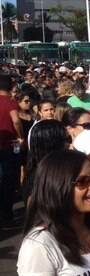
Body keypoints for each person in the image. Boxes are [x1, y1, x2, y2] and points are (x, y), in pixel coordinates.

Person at [23, 120, 69, 201]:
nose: (69, 144)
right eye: (67, 139)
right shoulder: (44, 180)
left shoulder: (37, 171)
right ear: (53, 144)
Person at [0, 74, 24, 226]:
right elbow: (16, 120)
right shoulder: (10, 102)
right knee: (8, 181)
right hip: (9, 146)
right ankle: (6, 216)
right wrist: (21, 136)